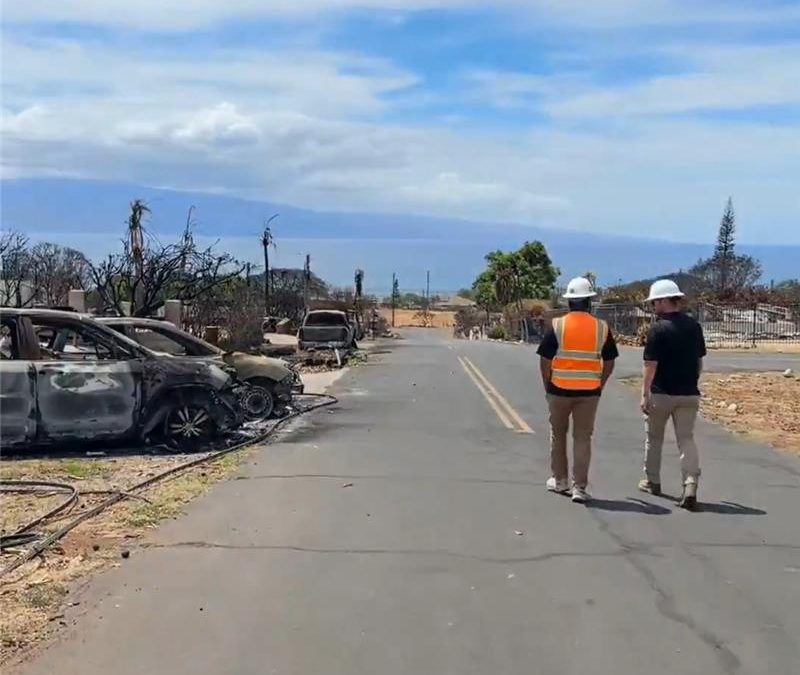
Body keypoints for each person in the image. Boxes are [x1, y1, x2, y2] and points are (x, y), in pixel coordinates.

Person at [537, 277, 618, 503]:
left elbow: (545, 359)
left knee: (558, 435)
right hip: (589, 391)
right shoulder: (601, 327)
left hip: (559, 389)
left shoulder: (558, 325)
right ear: (589, 301)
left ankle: (560, 481)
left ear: (569, 302)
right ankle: (579, 488)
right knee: (582, 438)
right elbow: (610, 361)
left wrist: (547, 384)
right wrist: (599, 383)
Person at [638, 279, 706, 510]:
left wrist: (644, 393)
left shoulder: (658, 329)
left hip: (662, 393)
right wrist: (693, 381)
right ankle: (690, 483)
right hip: (689, 393)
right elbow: (699, 361)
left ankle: (652, 481)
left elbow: (650, 365)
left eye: (655, 302)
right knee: (686, 439)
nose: (653, 306)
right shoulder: (694, 326)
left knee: (654, 438)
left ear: (664, 301)